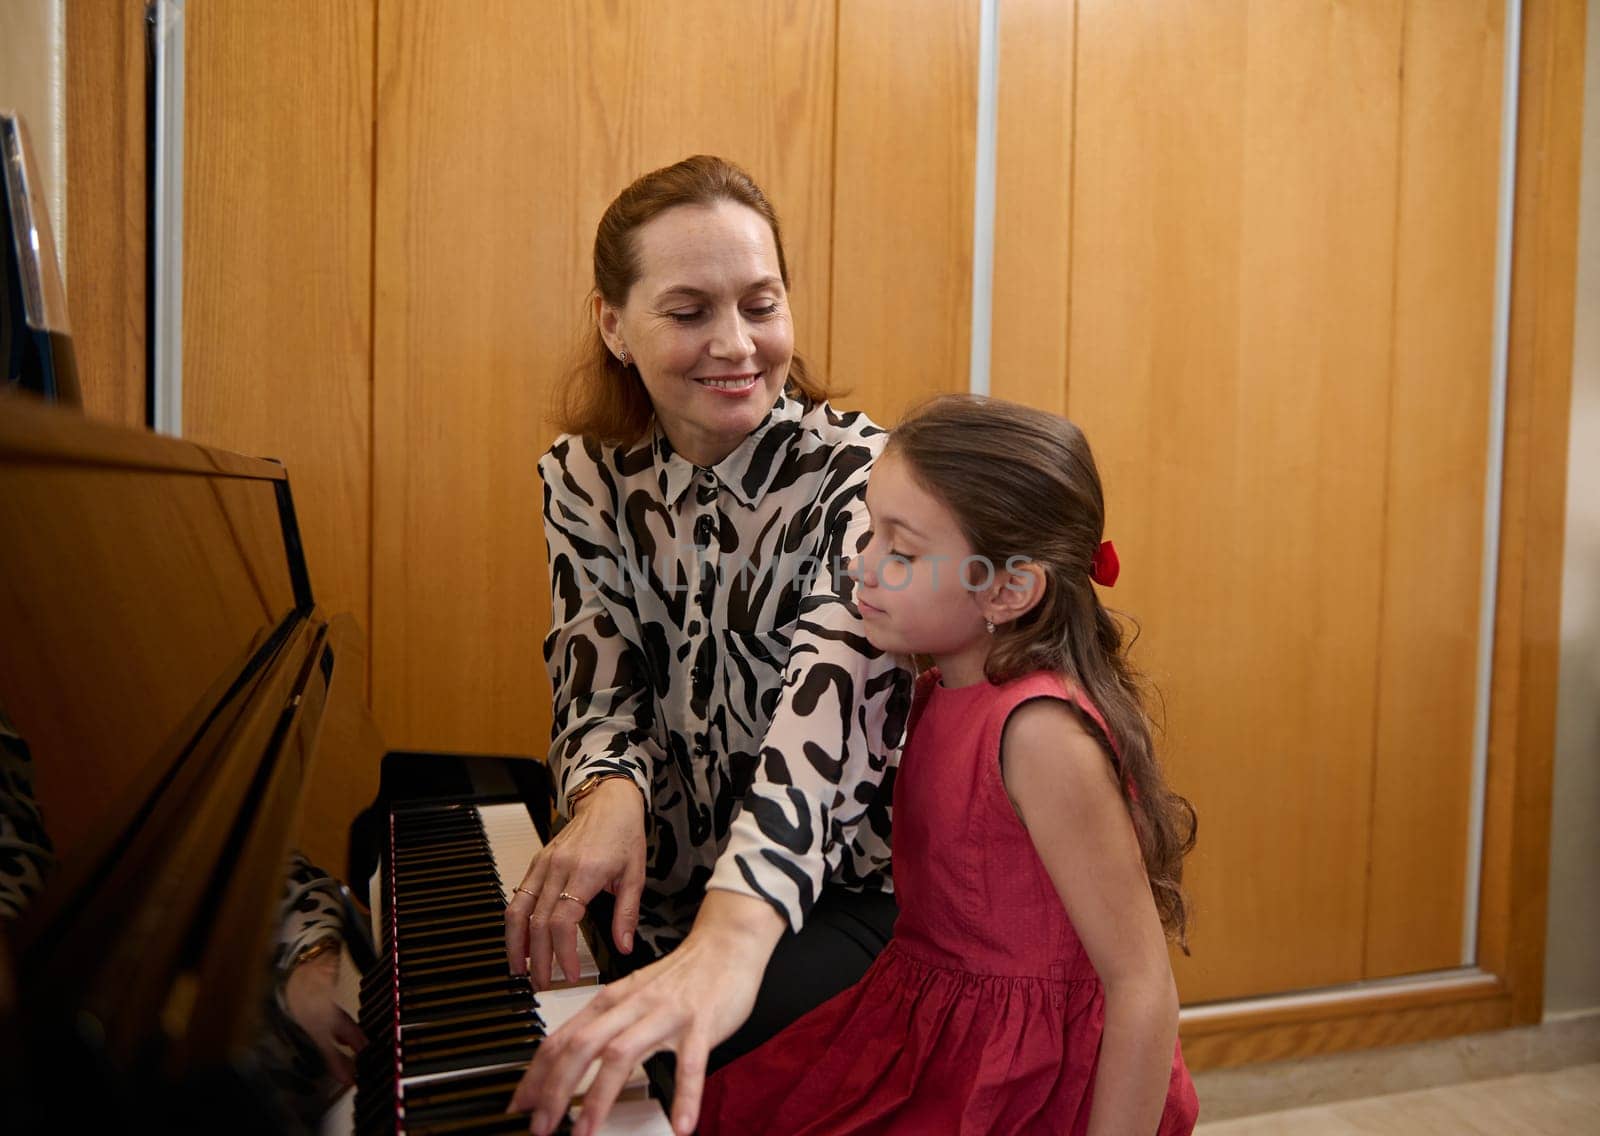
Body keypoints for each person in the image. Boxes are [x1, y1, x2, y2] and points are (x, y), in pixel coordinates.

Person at [505, 156, 910, 1136]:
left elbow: (829, 722)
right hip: (671, 886)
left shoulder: (865, 477)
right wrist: (608, 795)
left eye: (760, 304)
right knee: (516, 1015)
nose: (736, 344)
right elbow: (599, 687)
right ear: (613, 323)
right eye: (688, 311)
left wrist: (726, 942)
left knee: (612, 1074)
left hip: (829, 893)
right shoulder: (586, 478)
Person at [698, 394, 1201, 1134]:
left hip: (1032, 1077)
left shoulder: (1039, 733)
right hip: (930, 1021)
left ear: (1008, 591)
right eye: (871, 533)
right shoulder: (938, 688)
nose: (860, 563)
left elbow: (1141, 984)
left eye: (900, 552)